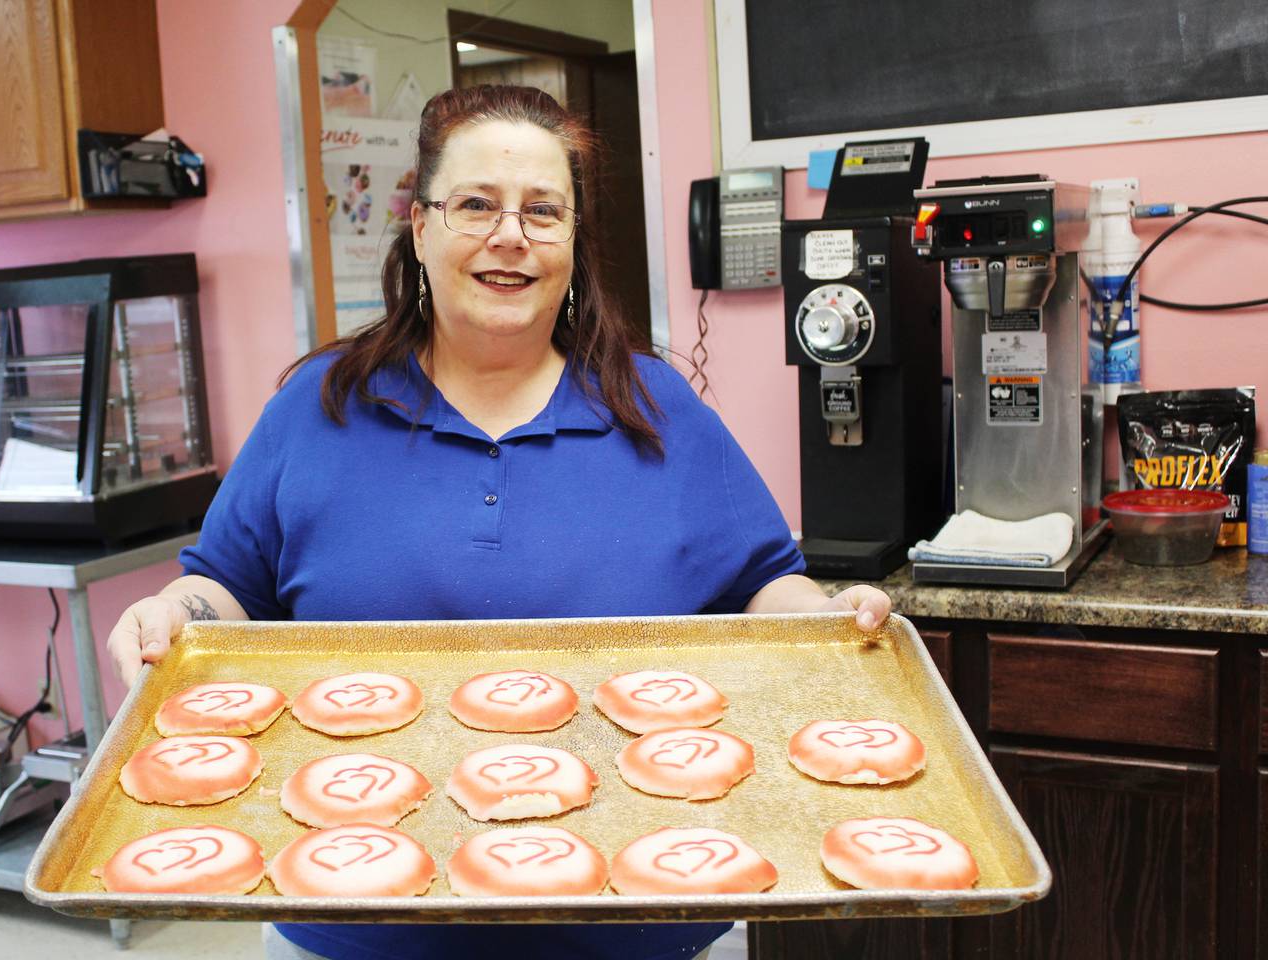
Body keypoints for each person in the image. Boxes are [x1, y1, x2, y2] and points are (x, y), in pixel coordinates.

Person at [106, 84, 892, 960]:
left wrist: (830, 616)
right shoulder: (317, 408)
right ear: (419, 226)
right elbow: (227, 589)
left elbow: (763, 586)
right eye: (476, 204)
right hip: (352, 925)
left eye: (542, 211)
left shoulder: (656, 407)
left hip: (651, 920)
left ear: (572, 242)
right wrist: (177, 615)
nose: (509, 235)